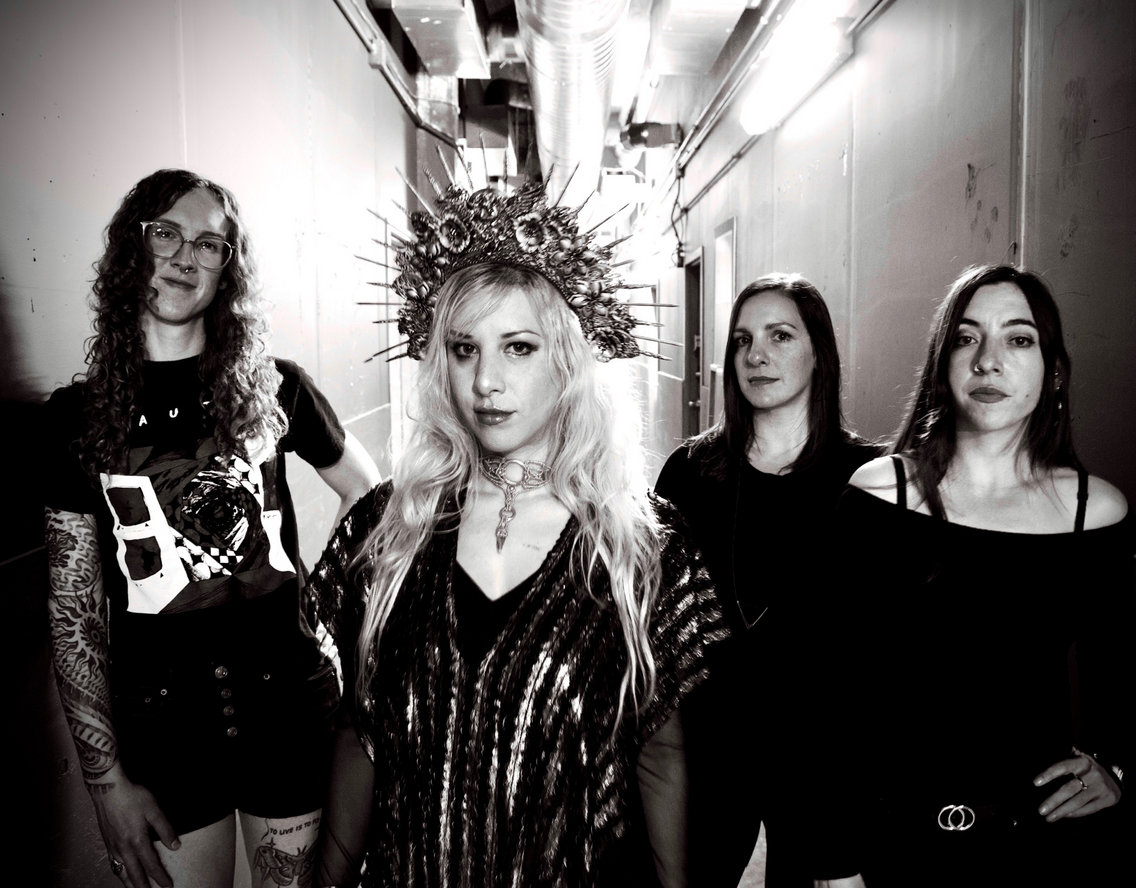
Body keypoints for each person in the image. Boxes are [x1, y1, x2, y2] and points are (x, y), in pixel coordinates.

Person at [308, 180, 728, 888]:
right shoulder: (390, 528)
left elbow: (661, 754)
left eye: (519, 348)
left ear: (567, 360)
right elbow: (360, 732)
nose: (486, 381)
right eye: (465, 349)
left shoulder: (639, 546)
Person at [42, 169, 380, 888]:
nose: (184, 257)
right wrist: (106, 783)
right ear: (133, 248)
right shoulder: (75, 419)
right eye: (166, 233)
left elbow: (370, 494)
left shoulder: (277, 386)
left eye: (209, 244)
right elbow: (74, 613)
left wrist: (325, 605)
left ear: (229, 268)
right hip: (163, 739)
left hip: (289, 713)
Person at [837, 264, 1132, 887]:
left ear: (1053, 371)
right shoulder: (881, 494)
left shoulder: (1096, 512)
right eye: (967, 338)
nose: (988, 361)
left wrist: (1115, 768)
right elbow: (825, 692)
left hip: (1039, 846)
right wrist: (835, 864)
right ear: (942, 364)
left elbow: (1121, 677)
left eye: (1018, 339)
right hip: (894, 845)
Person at [653, 273, 877, 887]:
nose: (757, 355)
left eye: (780, 336)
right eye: (743, 340)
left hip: (821, 763)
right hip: (708, 752)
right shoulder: (690, 473)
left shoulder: (869, 480)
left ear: (818, 352)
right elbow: (655, 628)